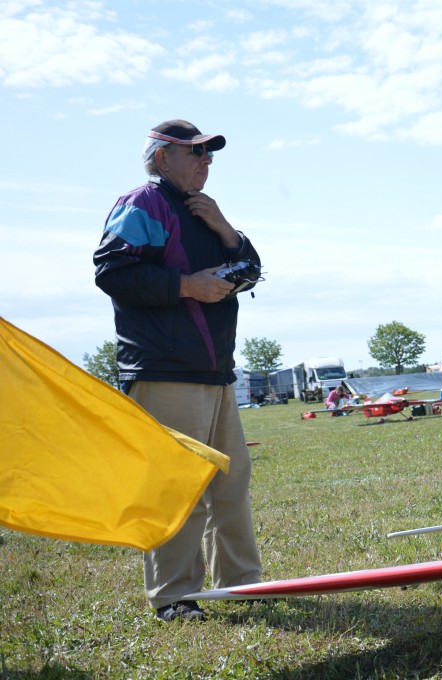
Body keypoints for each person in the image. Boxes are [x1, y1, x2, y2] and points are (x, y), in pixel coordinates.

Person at [93, 120, 263, 622]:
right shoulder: (143, 203)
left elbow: (252, 271)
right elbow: (112, 270)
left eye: (210, 154)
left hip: (216, 372)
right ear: (162, 157)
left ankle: (242, 586)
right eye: (196, 152)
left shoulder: (204, 211)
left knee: (232, 482)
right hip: (164, 370)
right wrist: (188, 285)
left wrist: (226, 230)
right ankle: (173, 597)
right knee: (177, 487)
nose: (206, 161)